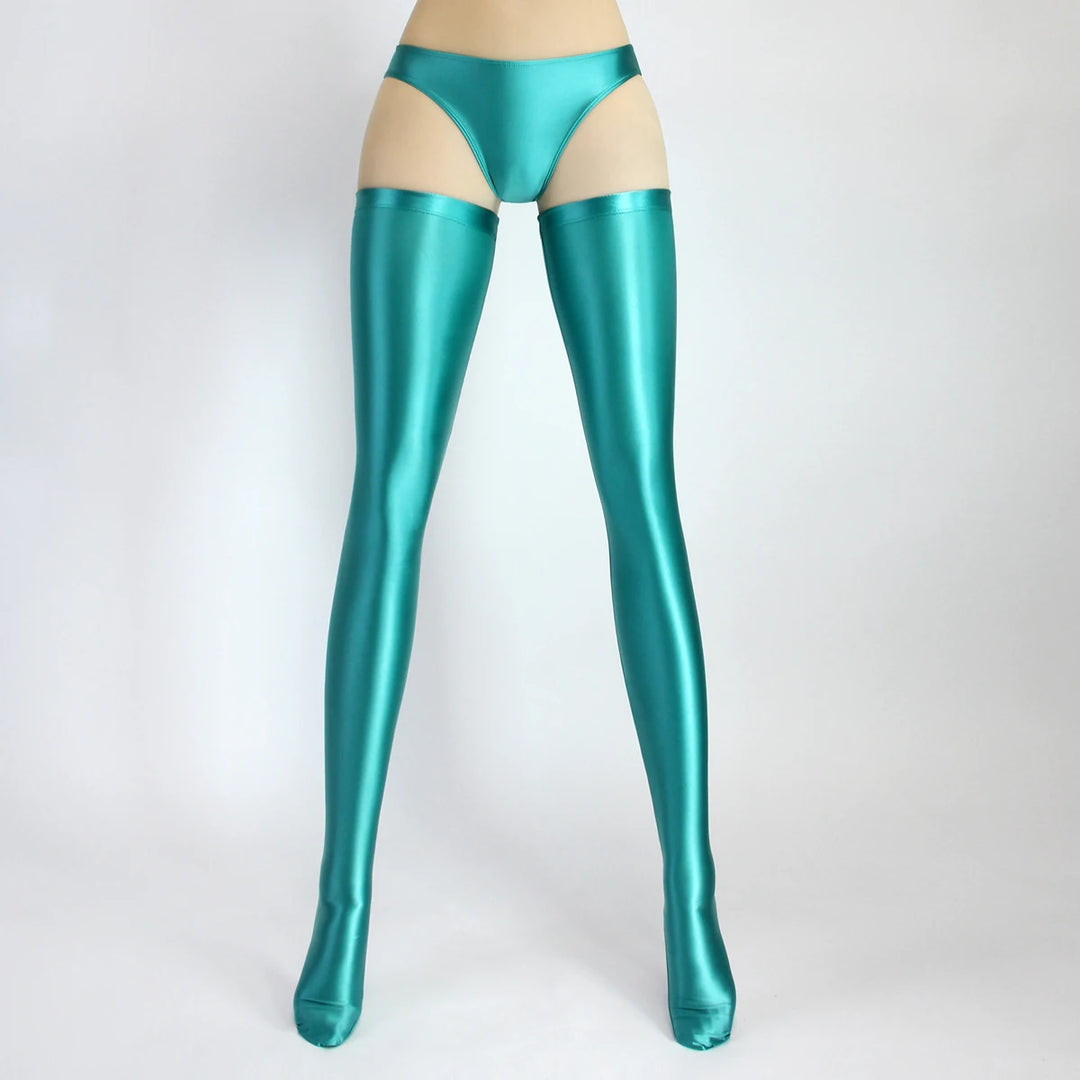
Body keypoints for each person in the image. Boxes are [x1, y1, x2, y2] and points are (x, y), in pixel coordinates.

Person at [293, 0, 737, 1052]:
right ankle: (341, 904)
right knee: (389, 498)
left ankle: (692, 899)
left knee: (642, 495)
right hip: (434, 95)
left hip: (598, 95)